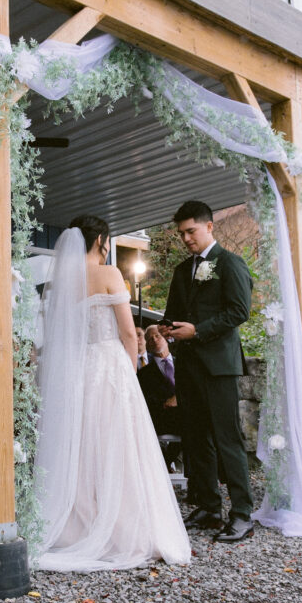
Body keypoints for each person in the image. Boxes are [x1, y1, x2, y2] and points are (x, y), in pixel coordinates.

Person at [34, 215, 190, 572]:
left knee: (81, 445)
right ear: (101, 240)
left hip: (76, 371)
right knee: (118, 445)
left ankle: (77, 527)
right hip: (108, 366)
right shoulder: (109, 274)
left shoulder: (63, 281)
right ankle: (122, 529)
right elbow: (126, 331)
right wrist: (131, 370)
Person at [160, 200, 254, 543]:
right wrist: (167, 330)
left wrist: (197, 331)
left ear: (209, 227)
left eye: (191, 231)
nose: (186, 238)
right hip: (187, 366)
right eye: (181, 233)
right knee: (196, 439)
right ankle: (209, 508)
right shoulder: (182, 271)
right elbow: (173, 313)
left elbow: (238, 312)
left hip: (218, 367)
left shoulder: (230, 264)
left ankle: (242, 513)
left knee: (228, 439)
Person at [137, 325, 183, 470]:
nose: (154, 340)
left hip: (186, 412)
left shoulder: (183, 364)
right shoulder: (144, 374)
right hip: (161, 418)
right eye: (149, 339)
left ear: (167, 338)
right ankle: (165, 462)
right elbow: (145, 400)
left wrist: (179, 398)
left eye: (157, 336)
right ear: (147, 346)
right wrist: (165, 403)